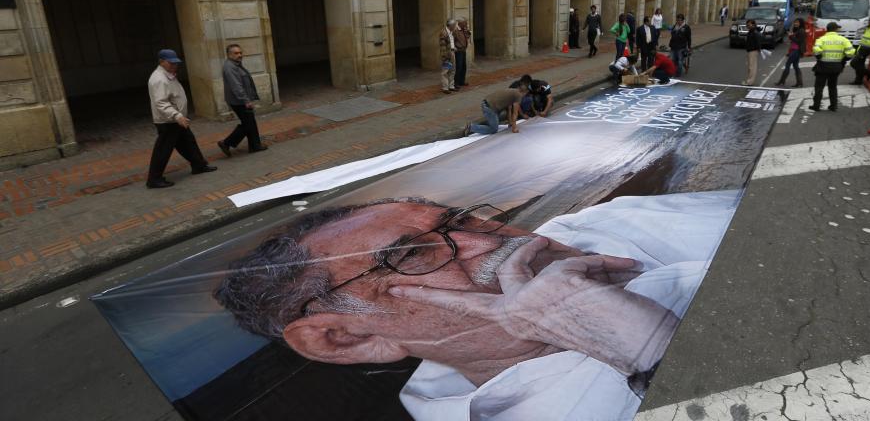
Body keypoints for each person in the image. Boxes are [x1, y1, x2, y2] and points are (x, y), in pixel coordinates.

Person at [214, 192, 736, 420]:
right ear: (347, 338)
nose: (487, 242)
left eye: (462, 220)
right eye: (411, 256)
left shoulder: (585, 224)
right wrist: (655, 353)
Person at [146, 49, 216, 188]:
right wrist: (177, 115)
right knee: (163, 149)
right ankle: (154, 179)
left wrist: (179, 116)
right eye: (171, 63)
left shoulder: (168, 75)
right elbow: (161, 102)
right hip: (168, 121)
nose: (174, 66)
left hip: (176, 119)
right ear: (161, 62)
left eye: (175, 63)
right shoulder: (159, 79)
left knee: (188, 142)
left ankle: (198, 165)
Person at [218, 44, 267, 157]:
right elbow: (236, 86)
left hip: (241, 100)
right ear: (229, 55)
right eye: (236, 53)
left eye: (240, 52)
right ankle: (226, 143)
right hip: (239, 101)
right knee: (248, 123)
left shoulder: (236, 64)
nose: (239, 55)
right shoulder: (230, 67)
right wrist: (246, 100)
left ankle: (255, 145)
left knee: (250, 122)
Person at [809, 22, 855, 112]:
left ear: (827, 29)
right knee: (833, 87)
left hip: (822, 66)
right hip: (836, 67)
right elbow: (851, 52)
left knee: (819, 87)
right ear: (836, 29)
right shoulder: (843, 39)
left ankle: (816, 106)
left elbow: (816, 50)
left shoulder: (821, 39)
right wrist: (843, 60)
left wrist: (819, 57)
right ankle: (833, 106)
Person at [776, 18, 806, 87]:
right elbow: (794, 40)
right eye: (795, 22)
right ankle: (799, 83)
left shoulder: (801, 31)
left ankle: (782, 81)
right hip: (794, 50)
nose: (795, 23)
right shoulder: (798, 30)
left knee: (787, 65)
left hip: (796, 50)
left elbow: (798, 41)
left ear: (801, 23)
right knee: (795, 66)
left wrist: (791, 36)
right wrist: (791, 35)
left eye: (797, 22)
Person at [439, 20, 457, 94]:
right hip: (447, 54)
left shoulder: (451, 32)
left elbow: (451, 42)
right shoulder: (443, 33)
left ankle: (451, 86)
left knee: (452, 70)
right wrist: (445, 56)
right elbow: (443, 46)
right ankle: (445, 88)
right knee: (445, 72)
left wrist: (453, 47)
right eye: (454, 25)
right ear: (450, 26)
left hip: (452, 52)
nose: (455, 27)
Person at [742, 19, 761, 86]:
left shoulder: (754, 32)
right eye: (747, 24)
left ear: (753, 24)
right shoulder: (751, 31)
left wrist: (758, 49)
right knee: (751, 67)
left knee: (752, 67)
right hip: (750, 50)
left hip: (753, 50)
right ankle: (749, 81)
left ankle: (749, 82)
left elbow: (758, 42)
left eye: (749, 24)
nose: (747, 25)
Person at [453, 18, 471, 88]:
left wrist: (467, 32)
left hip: (463, 50)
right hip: (459, 51)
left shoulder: (463, 29)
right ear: (460, 23)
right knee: (459, 67)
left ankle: (462, 81)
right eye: (465, 23)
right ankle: (456, 82)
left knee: (464, 66)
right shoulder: (455, 30)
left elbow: (467, 37)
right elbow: (452, 40)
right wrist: (455, 47)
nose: (466, 24)